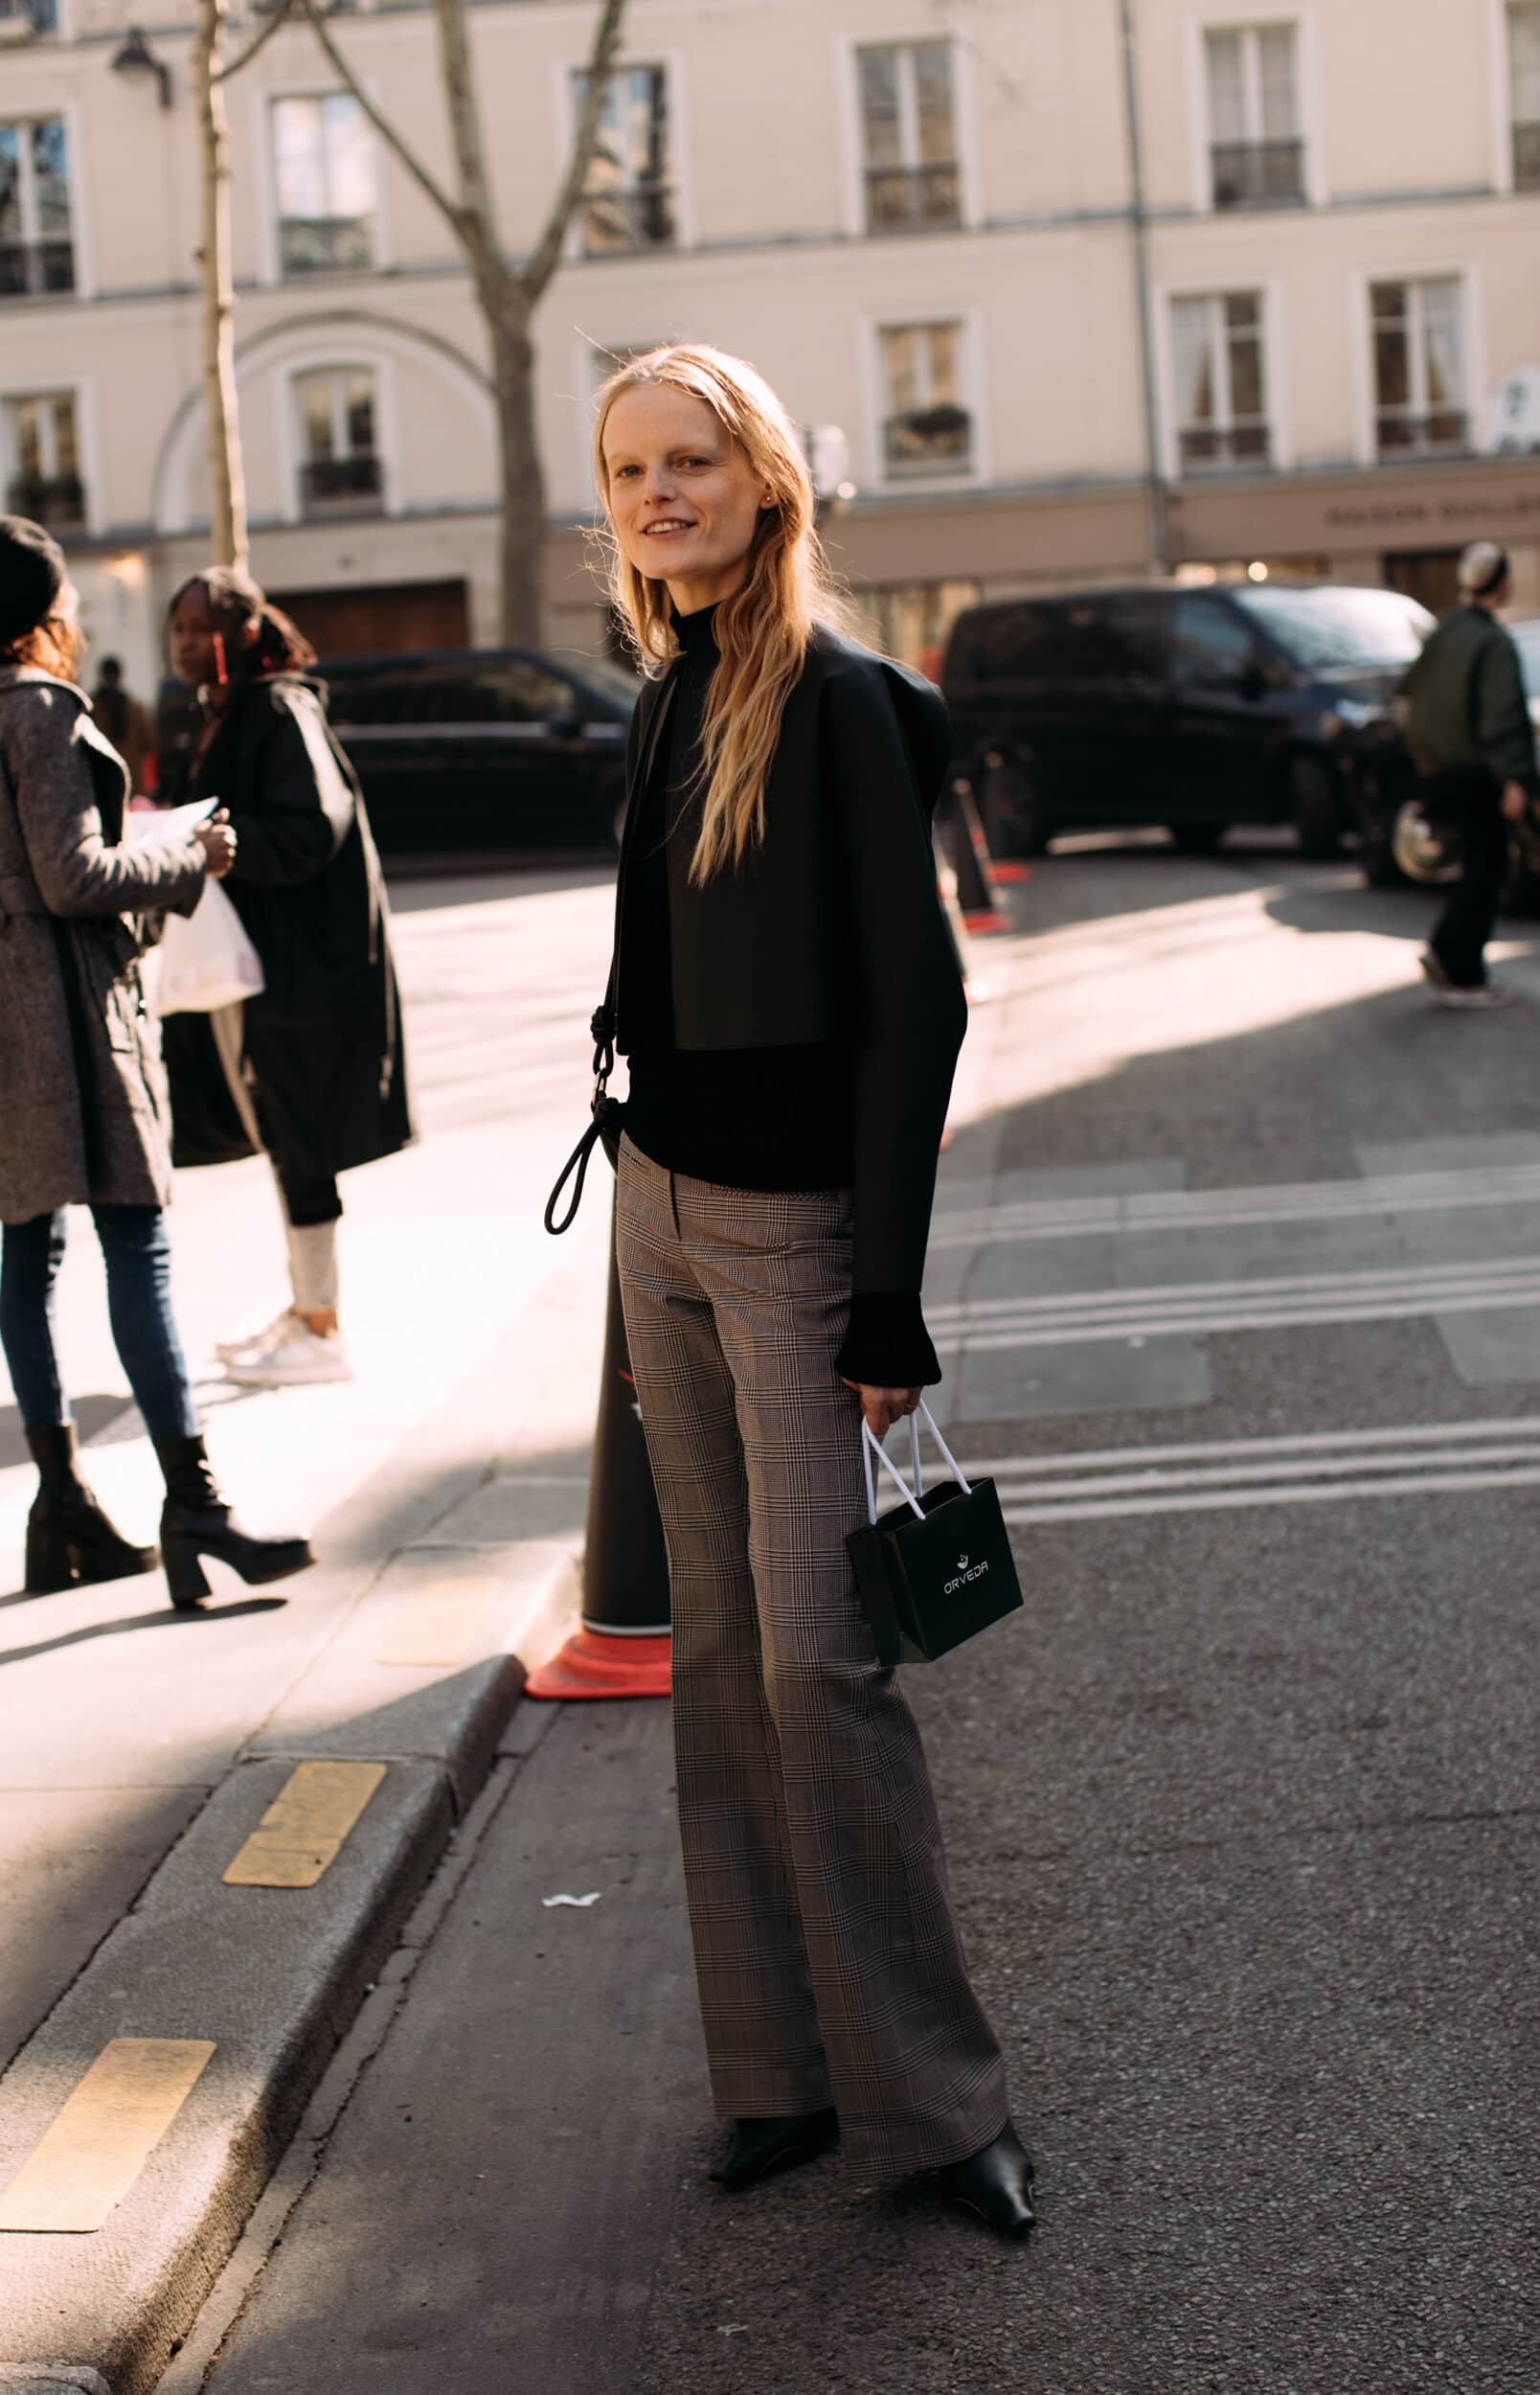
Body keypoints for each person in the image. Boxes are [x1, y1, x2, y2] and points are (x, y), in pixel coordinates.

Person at [590, 344, 1033, 2233]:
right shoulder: (668, 685)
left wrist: (888, 1299)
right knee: (710, 1660)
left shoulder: (850, 703)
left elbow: (916, 1004)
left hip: (786, 1236)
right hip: (651, 1210)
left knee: (816, 1663)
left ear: (762, 479)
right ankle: (770, 2075)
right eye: (625, 471)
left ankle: (935, 2109)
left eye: (688, 462)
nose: (656, 496)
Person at [0, 515, 312, 1606]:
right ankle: (197, 1506)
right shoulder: (35, 709)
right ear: (43, 615)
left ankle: (64, 1503)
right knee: (138, 1242)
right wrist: (192, 849)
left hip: (11, 1024)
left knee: (26, 1257)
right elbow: (72, 877)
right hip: (65, 1022)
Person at [161, 569, 413, 1386]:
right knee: (282, 1130)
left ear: (242, 632)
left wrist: (225, 847)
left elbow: (315, 824)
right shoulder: (222, 712)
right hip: (259, 962)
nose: (186, 645)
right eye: (178, 631)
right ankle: (308, 1310)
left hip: (302, 968)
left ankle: (322, 1327)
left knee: (299, 1131)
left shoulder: (277, 706)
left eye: (201, 629)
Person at [1400, 540, 1536, 1012]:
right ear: (1501, 583)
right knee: (1487, 868)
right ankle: (1462, 970)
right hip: (1477, 772)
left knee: (1475, 868)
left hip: (1439, 769)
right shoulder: (1492, 642)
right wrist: (1515, 778)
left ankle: (1449, 957)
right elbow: (1501, 717)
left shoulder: (1446, 632)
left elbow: (1410, 695)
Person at [90, 655, 154, 796]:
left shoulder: (90, 709)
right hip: (131, 780)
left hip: (102, 782)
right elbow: (148, 743)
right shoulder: (135, 707)